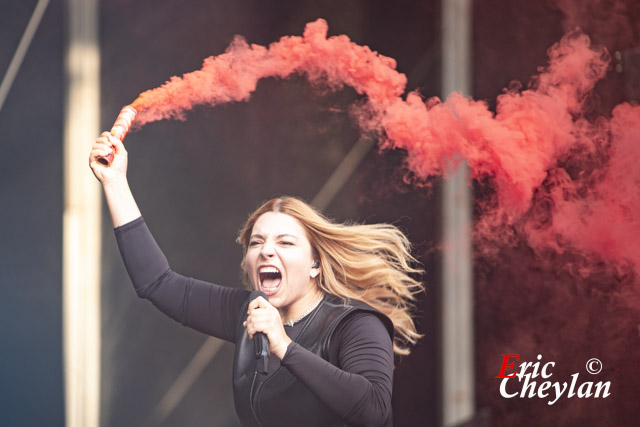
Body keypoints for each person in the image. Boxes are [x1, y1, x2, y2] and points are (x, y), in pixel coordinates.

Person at [89, 131, 424, 427]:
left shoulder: (356, 325)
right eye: (256, 242)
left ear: (315, 265)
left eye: (285, 242)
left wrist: (284, 347)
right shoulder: (248, 312)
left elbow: (375, 411)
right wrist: (115, 182)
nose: (266, 251)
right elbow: (157, 282)